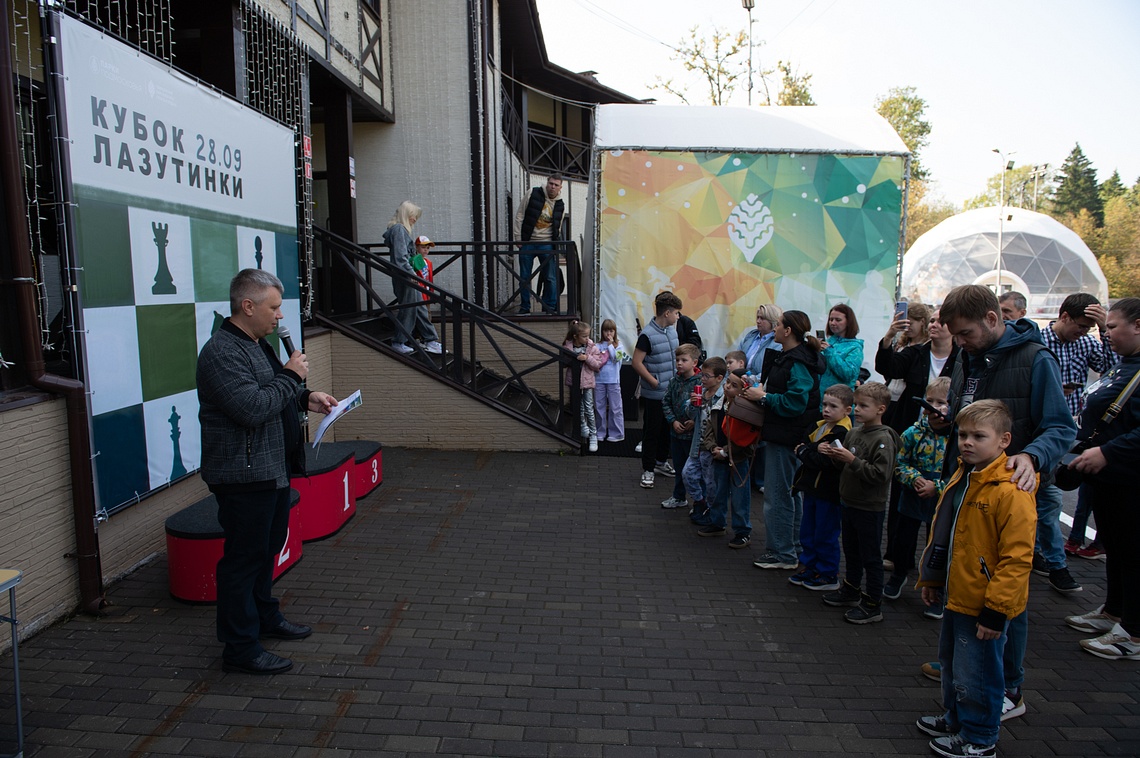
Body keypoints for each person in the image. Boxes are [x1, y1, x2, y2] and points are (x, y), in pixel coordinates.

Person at [937, 283, 1076, 720]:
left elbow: (1061, 427)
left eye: (965, 334)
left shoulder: (1036, 359)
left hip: (1007, 495)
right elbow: (968, 416)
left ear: (994, 320)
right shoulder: (966, 356)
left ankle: (1008, 687)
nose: (959, 343)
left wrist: (1031, 456)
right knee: (966, 585)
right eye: (956, 336)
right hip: (963, 487)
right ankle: (967, 676)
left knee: (1005, 594)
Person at [197, 269, 337, 675]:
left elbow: (277, 393)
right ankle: (240, 648)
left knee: (266, 550)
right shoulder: (221, 352)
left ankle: (265, 617)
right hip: (242, 476)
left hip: (269, 469)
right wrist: (292, 375)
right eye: (273, 307)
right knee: (244, 560)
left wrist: (306, 397)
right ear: (248, 306)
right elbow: (252, 408)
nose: (279, 316)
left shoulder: (257, 344)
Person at [915, 400, 1036, 758]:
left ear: (1004, 440)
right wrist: (934, 579)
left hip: (984, 602)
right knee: (953, 664)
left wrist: (996, 609)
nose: (967, 442)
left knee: (978, 673)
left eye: (978, 436)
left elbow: (1018, 558)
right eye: (963, 434)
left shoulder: (1010, 490)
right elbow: (948, 536)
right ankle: (956, 719)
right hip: (959, 593)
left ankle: (980, 738)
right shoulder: (965, 475)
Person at [1063, 297, 1140, 660]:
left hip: (1129, 479)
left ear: (1137, 326)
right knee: (1116, 546)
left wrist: (1109, 452)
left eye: (1111, 327)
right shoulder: (1124, 366)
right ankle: (1114, 610)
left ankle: (1134, 634)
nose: (1105, 334)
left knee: (1133, 551)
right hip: (1108, 479)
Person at [741, 310, 826, 570]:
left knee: (778, 496)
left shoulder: (797, 361)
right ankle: (792, 548)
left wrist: (763, 398)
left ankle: (782, 553)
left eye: (778, 325)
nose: (774, 329)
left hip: (786, 434)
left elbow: (795, 402)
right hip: (788, 433)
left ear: (788, 331)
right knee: (790, 494)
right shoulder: (795, 357)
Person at [1039, 293, 1117, 562]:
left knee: (1068, 485)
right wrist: (1051, 389)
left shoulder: (1086, 343)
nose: (1083, 332)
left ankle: (1060, 548)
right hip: (1044, 426)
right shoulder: (1038, 340)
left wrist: (1105, 331)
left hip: (1075, 428)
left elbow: (1113, 369)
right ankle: (1047, 554)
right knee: (1047, 493)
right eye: (1080, 326)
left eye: (1088, 328)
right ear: (1064, 317)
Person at [819, 382, 901, 624]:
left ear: (880, 409)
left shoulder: (884, 439)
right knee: (851, 551)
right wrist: (834, 455)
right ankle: (851, 589)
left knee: (870, 556)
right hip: (849, 502)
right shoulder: (854, 432)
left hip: (869, 507)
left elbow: (881, 475)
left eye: (863, 406)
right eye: (855, 405)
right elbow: (845, 466)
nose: (857, 410)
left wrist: (852, 459)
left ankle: (873, 602)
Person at [884, 377, 953, 612]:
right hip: (913, 493)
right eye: (929, 401)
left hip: (942, 499)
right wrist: (914, 479)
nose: (934, 407)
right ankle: (899, 574)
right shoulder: (914, 432)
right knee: (903, 539)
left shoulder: (957, 437)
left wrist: (938, 486)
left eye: (941, 402)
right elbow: (899, 462)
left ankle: (937, 589)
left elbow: (960, 471)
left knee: (939, 544)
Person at [788, 383, 853, 592]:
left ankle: (828, 573)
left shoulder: (843, 432)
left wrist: (806, 452)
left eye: (833, 406)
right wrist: (810, 450)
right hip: (812, 488)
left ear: (846, 410)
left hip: (829, 491)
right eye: (825, 405)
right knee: (809, 530)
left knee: (825, 533)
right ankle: (811, 566)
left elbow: (823, 460)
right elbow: (801, 445)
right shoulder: (819, 425)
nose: (826, 410)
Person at [696, 369, 759, 548]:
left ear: (744, 390)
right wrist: (711, 447)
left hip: (738, 459)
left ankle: (742, 530)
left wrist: (725, 451)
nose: (728, 387)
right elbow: (709, 427)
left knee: (740, 495)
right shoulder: (719, 404)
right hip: (718, 456)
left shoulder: (748, 410)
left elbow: (746, 440)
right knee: (717, 490)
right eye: (728, 382)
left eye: (734, 385)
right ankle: (717, 522)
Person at [633, 291, 682, 489]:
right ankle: (648, 470)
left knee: (666, 430)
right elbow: (637, 362)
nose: (678, 316)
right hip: (654, 394)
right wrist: (653, 381)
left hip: (671, 392)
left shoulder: (672, 331)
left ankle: (661, 463)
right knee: (651, 432)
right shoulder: (647, 335)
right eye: (677, 313)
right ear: (667, 313)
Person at [383, 202, 442, 355]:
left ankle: (430, 339)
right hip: (405, 276)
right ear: (406, 214)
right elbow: (401, 258)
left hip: (405, 276)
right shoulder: (399, 230)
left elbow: (400, 257)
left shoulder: (397, 230)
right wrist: (412, 274)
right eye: (413, 215)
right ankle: (399, 341)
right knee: (410, 307)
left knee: (419, 307)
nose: (415, 219)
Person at [739, 304, 784, 493]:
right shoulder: (751, 336)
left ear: (773, 322)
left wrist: (752, 378)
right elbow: (739, 356)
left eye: (762, 318)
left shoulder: (776, 342)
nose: (758, 321)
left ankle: (760, 478)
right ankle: (746, 472)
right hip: (743, 384)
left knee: (761, 434)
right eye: (757, 317)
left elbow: (770, 369)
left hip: (760, 387)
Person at [684, 356, 727, 526]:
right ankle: (699, 501)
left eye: (706, 376)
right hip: (697, 444)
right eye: (702, 375)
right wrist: (693, 404)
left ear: (719, 378)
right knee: (688, 474)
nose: (702, 379)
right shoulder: (700, 391)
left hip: (711, 446)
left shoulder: (723, 396)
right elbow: (689, 413)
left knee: (711, 482)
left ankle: (710, 509)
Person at [513, 174, 564, 314]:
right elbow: (520, 214)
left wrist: (555, 244)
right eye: (551, 183)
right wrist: (518, 237)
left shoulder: (560, 204)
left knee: (550, 277)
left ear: (560, 187)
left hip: (546, 243)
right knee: (524, 276)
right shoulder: (533, 193)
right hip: (528, 241)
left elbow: (558, 226)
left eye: (556, 185)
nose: (552, 187)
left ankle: (549, 307)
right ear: (547, 183)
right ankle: (525, 307)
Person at [660, 343, 702, 508]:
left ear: (694, 362)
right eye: (677, 359)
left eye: (684, 360)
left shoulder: (700, 382)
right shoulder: (673, 381)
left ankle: (700, 501)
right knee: (679, 466)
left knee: (695, 469)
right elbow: (666, 402)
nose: (679, 363)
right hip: (676, 433)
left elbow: (704, 405)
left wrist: (695, 421)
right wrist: (673, 421)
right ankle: (679, 496)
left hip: (693, 436)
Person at [563, 321, 606, 453]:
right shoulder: (567, 347)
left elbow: (597, 364)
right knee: (578, 406)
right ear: (575, 336)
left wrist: (586, 358)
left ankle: (593, 434)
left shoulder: (591, 347)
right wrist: (572, 359)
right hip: (574, 382)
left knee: (588, 406)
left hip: (587, 382)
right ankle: (583, 426)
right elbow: (563, 362)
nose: (587, 339)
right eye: (584, 336)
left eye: (588, 336)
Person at [819, 303, 865, 393]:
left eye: (838, 320)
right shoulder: (827, 342)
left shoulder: (855, 347)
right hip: (820, 398)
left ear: (848, 322)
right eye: (831, 319)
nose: (833, 323)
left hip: (840, 400)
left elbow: (848, 374)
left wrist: (829, 352)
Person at [595, 319, 626, 443]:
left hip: (614, 380)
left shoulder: (619, 345)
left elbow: (615, 359)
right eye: (606, 330)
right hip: (599, 380)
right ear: (602, 331)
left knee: (616, 408)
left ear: (615, 332)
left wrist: (610, 345)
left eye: (611, 330)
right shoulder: (597, 346)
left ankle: (617, 433)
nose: (608, 333)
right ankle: (599, 432)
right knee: (599, 407)